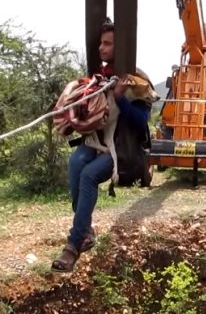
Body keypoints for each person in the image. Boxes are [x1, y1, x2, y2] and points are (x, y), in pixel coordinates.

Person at [52, 18, 152, 273]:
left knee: (88, 175)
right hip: (96, 143)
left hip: (121, 150)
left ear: (121, 48)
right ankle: (85, 231)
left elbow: (142, 123)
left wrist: (121, 98)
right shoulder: (100, 78)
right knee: (75, 162)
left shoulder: (137, 82)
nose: (101, 48)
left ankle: (73, 245)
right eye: (100, 43)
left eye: (108, 44)